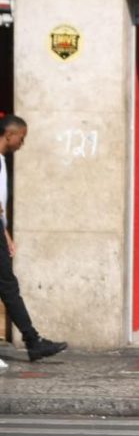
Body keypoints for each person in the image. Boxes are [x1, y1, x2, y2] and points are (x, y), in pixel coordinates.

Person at [0, 115, 67, 371]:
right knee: (8, 286)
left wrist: (5, 234)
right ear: (9, 134)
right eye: (21, 137)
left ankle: (33, 341)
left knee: (8, 286)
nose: (22, 143)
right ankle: (33, 341)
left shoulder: (3, 160)